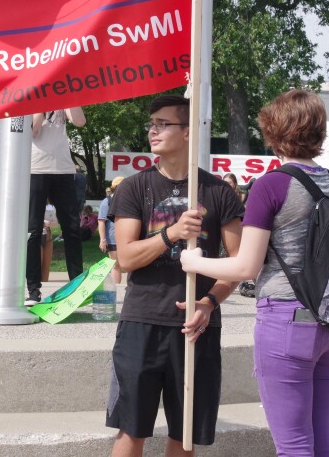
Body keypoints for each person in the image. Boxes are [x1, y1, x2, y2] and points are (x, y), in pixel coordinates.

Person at [181, 88, 329, 457]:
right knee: (325, 437)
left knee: (293, 446)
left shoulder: (271, 185)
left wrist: (194, 263)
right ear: (318, 132)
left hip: (288, 321)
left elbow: (246, 266)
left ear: (273, 132)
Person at [107, 94, 243, 456]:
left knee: (184, 436)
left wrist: (210, 302)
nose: (153, 131)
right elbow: (126, 257)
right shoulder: (135, 187)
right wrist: (171, 233)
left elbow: (238, 264)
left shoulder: (218, 192)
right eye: (151, 124)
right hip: (142, 322)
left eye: (163, 124)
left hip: (196, 328)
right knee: (130, 430)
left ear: (187, 132)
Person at [25, 107, 87, 306]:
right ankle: (33, 290)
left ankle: (76, 284)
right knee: (33, 231)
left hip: (62, 169)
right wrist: (42, 104)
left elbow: (80, 121)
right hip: (36, 168)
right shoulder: (31, 99)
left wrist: (69, 98)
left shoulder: (64, 98)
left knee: (72, 227)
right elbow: (34, 130)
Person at [98, 176, 124, 284]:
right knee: (116, 265)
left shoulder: (131, 199)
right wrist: (103, 239)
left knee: (132, 265)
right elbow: (101, 221)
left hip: (130, 237)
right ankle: (116, 291)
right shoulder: (107, 202)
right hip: (113, 239)